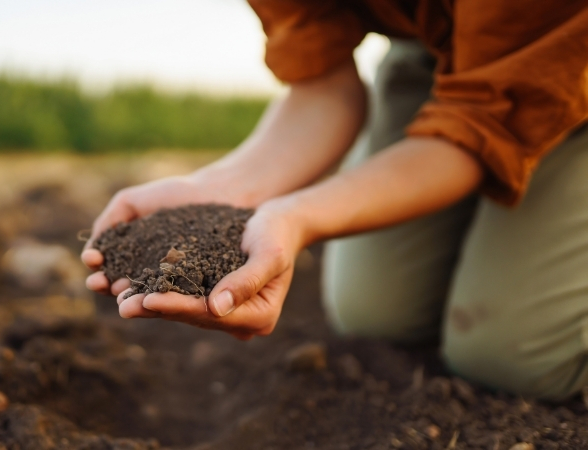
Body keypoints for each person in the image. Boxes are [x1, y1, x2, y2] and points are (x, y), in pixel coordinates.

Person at [82, 0, 588, 400]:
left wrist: (299, 216)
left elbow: (479, 126)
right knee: (376, 313)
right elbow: (322, 87)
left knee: (511, 357)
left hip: (566, 53)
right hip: (437, 50)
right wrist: (222, 191)